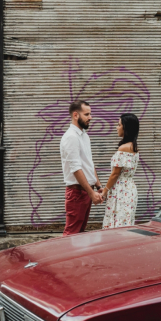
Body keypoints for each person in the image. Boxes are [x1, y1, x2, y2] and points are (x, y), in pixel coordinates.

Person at [60, 100, 104, 236]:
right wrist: (91, 193)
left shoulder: (84, 136)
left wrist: (98, 186)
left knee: (79, 234)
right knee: (71, 234)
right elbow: (76, 168)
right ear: (75, 115)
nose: (90, 117)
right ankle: (64, 258)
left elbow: (88, 164)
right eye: (87, 114)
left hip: (85, 192)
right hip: (77, 194)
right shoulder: (71, 137)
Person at [102, 114, 140, 229]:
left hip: (121, 190)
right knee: (125, 222)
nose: (116, 127)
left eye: (119, 125)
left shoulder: (123, 148)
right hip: (129, 189)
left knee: (118, 224)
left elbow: (115, 174)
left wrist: (104, 192)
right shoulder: (133, 146)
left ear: (126, 128)